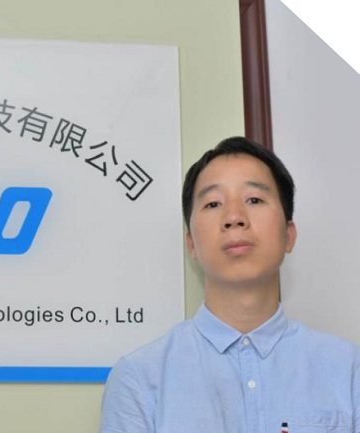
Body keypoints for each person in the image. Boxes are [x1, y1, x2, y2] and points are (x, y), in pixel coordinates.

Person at [100, 137, 359, 433]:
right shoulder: (139, 380)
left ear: (288, 235)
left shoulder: (349, 371)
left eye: (254, 200)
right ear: (191, 244)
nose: (234, 218)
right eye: (213, 203)